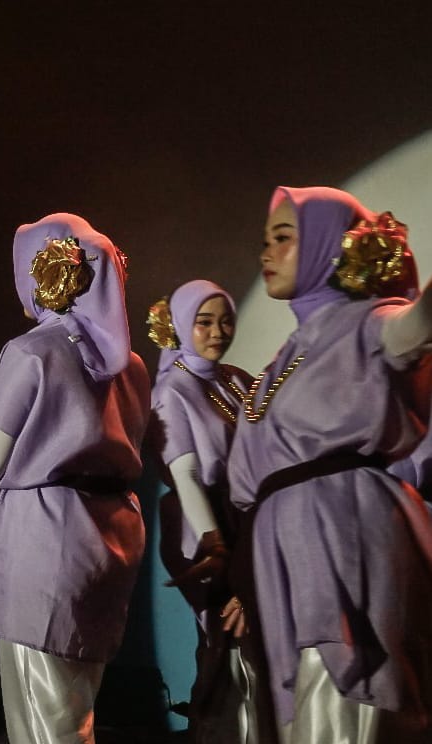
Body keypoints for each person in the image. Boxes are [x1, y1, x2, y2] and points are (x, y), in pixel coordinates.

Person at [0, 212, 149, 744]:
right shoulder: (130, 365)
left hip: (46, 539)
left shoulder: (31, 352)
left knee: (43, 722)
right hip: (111, 540)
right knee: (75, 712)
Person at [227, 185, 432, 742]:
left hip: (342, 529)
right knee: (305, 710)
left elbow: (417, 327)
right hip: (284, 545)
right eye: (265, 240)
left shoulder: (370, 322)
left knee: (340, 699)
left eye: (284, 237)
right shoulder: (288, 354)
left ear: (330, 246)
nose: (267, 252)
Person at [146, 279, 270, 743]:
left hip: (243, 523)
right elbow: (187, 476)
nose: (218, 332)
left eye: (225, 321)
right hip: (203, 528)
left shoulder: (235, 380)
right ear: (181, 324)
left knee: (254, 638)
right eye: (204, 322)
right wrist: (216, 547)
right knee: (228, 640)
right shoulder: (172, 390)